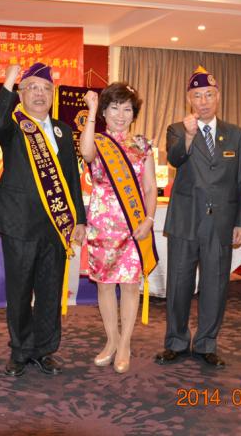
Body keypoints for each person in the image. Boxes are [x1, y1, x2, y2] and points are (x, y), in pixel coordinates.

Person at [0, 62, 86, 377]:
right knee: (19, 289)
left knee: (50, 290)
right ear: (22, 94)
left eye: (45, 89)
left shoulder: (63, 130)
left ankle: (44, 349)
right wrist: (10, 80)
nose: (40, 95)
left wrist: (79, 219)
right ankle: (20, 350)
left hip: (55, 225)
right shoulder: (14, 126)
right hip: (19, 222)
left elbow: (72, 179)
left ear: (53, 95)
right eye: (33, 89)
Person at [155, 66, 241, 369]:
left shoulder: (234, 134)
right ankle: (176, 341)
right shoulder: (177, 129)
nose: (204, 101)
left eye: (209, 94)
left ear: (218, 96)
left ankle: (207, 343)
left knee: (215, 284)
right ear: (189, 99)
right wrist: (189, 135)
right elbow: (175, 159)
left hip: (220, 223)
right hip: (185, 220)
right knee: (179, 284)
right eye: (197, 96)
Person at [79, 83, 157, 374]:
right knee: (104, 285)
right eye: (114, 108)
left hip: (133, 226)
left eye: (127, 109)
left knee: (130, 285)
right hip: (102, 225)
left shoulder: (143, 145)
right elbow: (86, 153)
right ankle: (111, 340)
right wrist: (91, 111)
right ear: (104, 111)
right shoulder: (97, 141)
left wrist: (148, 220)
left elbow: (150, 188)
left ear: (134, 113)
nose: (121, 115)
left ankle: (125, 343)